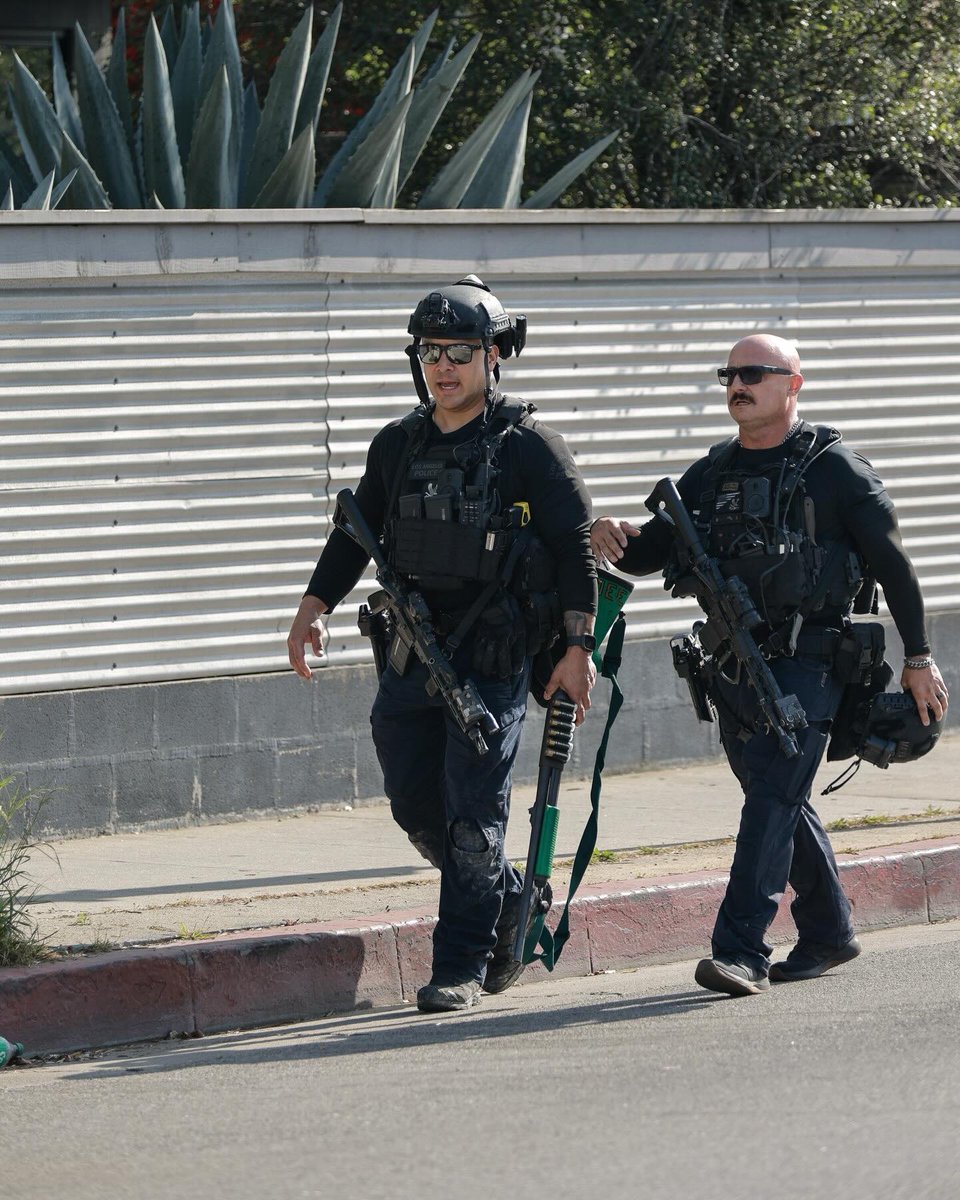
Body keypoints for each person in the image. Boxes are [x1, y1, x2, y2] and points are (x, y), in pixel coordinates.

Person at [591, 333, 949, 997]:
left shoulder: (836, 469)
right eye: (730, 373)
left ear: (793, 384)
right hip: (731, 665)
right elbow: (652, 553)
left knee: (772, 798)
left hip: (813, 662)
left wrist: (919, 658)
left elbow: (896, 568)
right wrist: (613, 538)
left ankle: (741, 950)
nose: (738, 384)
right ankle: (829, 931)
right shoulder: (711, 472)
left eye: (755, 372)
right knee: (777, 797)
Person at [288, 276, 597, 1013]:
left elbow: (577, 547)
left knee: (471, 818)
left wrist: (577, 649)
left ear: (495, 357)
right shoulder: (398, 444)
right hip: (411, 657)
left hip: (492, 662)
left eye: (460, 351)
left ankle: (458, 964)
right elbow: (354, 530)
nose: (443, 366)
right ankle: (516, 901)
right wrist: (312, 608)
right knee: (413, 804)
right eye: (430, 351)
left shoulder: (530, 448)